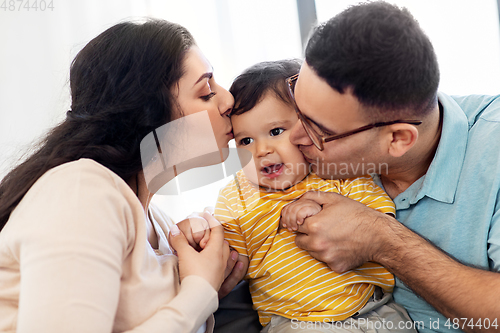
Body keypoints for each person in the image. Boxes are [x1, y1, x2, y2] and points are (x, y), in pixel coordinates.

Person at [0, 19, 237, 333]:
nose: (229, 101)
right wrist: (200, 291)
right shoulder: (81, 193)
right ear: (147, 112)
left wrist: (212, 283)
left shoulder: (160, 224)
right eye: (206, 91)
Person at [278, 2, 500, 333]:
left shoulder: (492, 147)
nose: (294, 138)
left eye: (317, 129)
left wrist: (383, 240)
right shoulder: (309, 156)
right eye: (297, 106)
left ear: (397, 139)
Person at [185, 60, 415, 332]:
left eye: (275, 132)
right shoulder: (237, 194)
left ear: (307, 128)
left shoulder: (335, 171)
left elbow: (380, 219)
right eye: (245, 141)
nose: (261, 150)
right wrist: (201, 234)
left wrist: (317, 209)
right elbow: (231, 258)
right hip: (298, 321)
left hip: (375, 309)